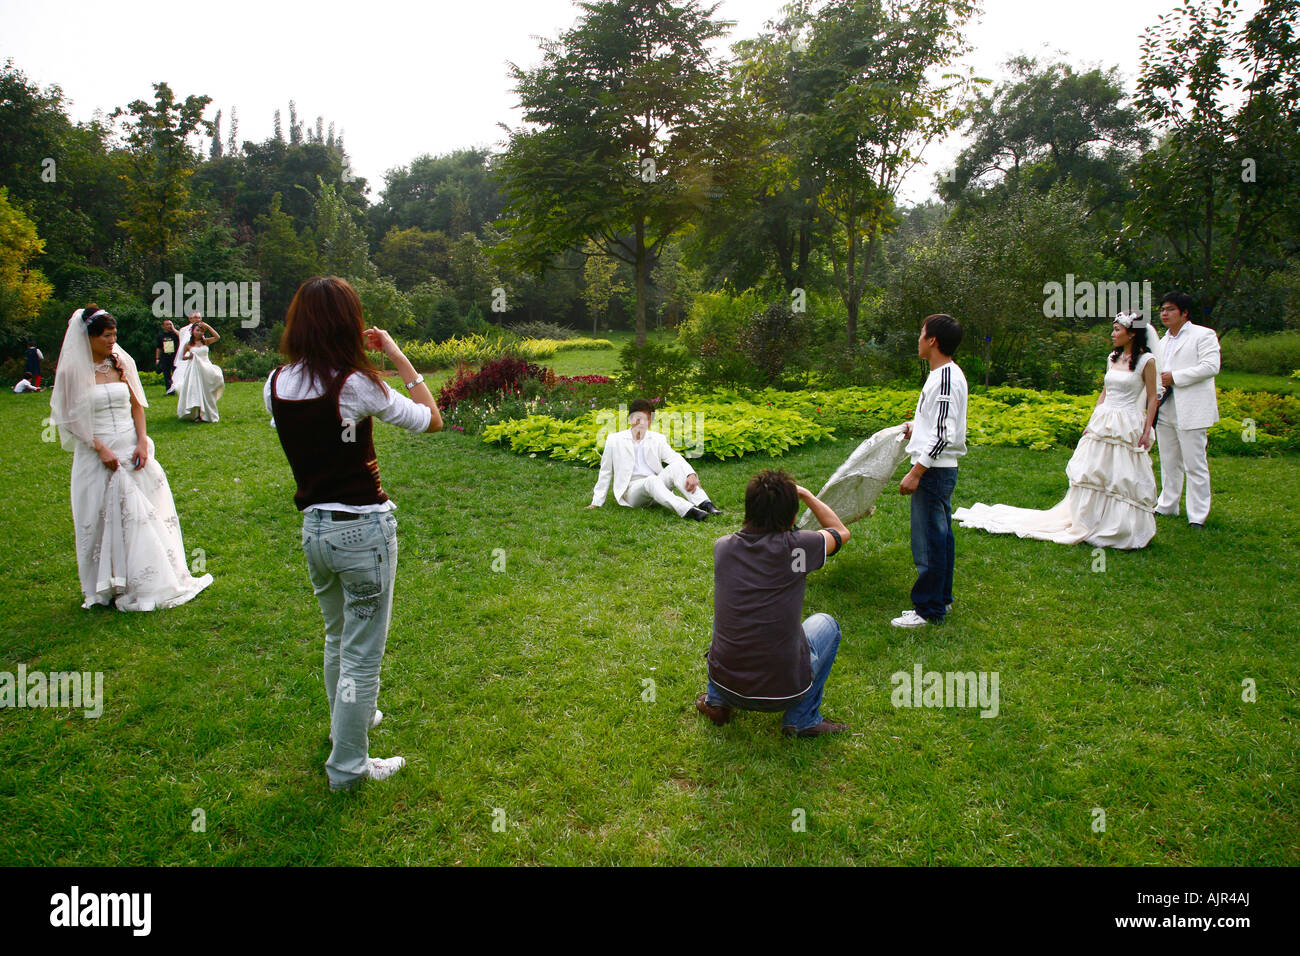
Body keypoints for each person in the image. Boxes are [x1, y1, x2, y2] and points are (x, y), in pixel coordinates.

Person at [265, 275, 442, 792]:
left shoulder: (274, 384)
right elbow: (431, 419)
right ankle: (349, 767)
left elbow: (301, 435)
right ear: (350, 323)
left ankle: (350, 726)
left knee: (337, 638)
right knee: (362, 655)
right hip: (362, 531)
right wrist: (395, 354)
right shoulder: (356, 384)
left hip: (315, 531)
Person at [48, 305, 213, 610]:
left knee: (143, 516)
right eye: (106, 336)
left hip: (130, 445)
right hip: (97, 450)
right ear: (89, 337)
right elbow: (69, 418)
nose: (112, 341)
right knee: (101, 518)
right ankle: (106, 585)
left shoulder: (122, 361)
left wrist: (141, 442)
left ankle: (147, 580)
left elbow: (138, 405)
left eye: (114, 335)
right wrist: (99, 447)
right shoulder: (73, 371)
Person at [954, 313, 1159, 550]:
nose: (1112, 334)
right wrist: (1093, 422)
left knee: (1121, 475)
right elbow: (1105, 392)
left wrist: (1147, 429)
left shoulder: (1147, 361)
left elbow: (1153, 398)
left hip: (1127, 422)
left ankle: (1118, 524)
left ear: (1131, 333)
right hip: (1104, 421)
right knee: (1094, 472)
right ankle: (1090, 518)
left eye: (1116, 330)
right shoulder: (1112, 358)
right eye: (1112, 329)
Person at [696, 469, 851, 737]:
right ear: (791, 515)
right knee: (827, 624)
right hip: (784, 690)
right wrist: (807, 495)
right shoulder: (800, 549)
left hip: (727, 684)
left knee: (730, 614)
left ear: (748, 509)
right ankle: (802, 719)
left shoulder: (723, 548)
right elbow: (840, 531)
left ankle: (717, 703)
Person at [893, 314, 968, 629]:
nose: (918, 338)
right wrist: (915, 428)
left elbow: (944, 435)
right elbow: (934, 425)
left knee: (930, 541)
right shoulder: (940, 375)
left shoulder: (946, 378)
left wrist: (916, 473)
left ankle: (928, 609)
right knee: (940, 537)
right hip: (934, 469)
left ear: (933, 340)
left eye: (921, 333)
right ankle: (941, 600)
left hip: (934, 472)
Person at [587, 398, 721, 520]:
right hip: (632, 493)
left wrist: (690, 474)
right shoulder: (614, 440)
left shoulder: (657, 438)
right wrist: (596, 502)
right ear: (630, 419)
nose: (642, 423)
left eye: (647, 419)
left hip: (658, 489)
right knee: (650, 480)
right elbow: (605, 472)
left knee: (676, 466)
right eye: (638, 418)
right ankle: (689, 510)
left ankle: (706, 504)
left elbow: (674, 457)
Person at [1153, 291, 1220, 527]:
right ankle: (1167, 505)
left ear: (1184, 312)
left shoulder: (1203, 335)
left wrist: (1175, 377)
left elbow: (1211, 366)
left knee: (1195, 463)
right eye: (1162, 309)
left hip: (1191, 407)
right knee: (1169, 461)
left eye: (1170, 309)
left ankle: (1198, 515)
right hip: (1165, 406)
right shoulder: (1162, 341)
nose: (1164, 313)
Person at [176, 320, 225, 422]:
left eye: (202, 331)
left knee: (208, 391)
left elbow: (217, 337)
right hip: (194, 371)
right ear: (193, 331)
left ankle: (207, 413)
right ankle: (197, 414)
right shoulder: (188, 344)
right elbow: (182, 357)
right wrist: (189, 357)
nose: (199, 333)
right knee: (196, 391)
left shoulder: (205, 341)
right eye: (197, 330)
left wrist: (207, 326)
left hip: (206, 368)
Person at [169, 311, 200, 396]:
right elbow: (182, 338)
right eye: (196, 317)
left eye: (199, 317)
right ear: (190, 319)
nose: (198, 319)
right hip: (188, 353)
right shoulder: (184, 329)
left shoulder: (202, 328)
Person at [155, 320, 180, 391]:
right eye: (167, 324)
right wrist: (157, 358)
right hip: (165, 357)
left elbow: (182, 336)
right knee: (167, 374)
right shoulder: (160, 335)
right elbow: (159, 347)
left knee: (176, 373)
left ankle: (177, 388)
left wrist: (174, 329)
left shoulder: (175, 334)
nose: (169, 326)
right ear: (163, 326)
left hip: (175, 357)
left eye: (170, 324)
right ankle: (169, 390)